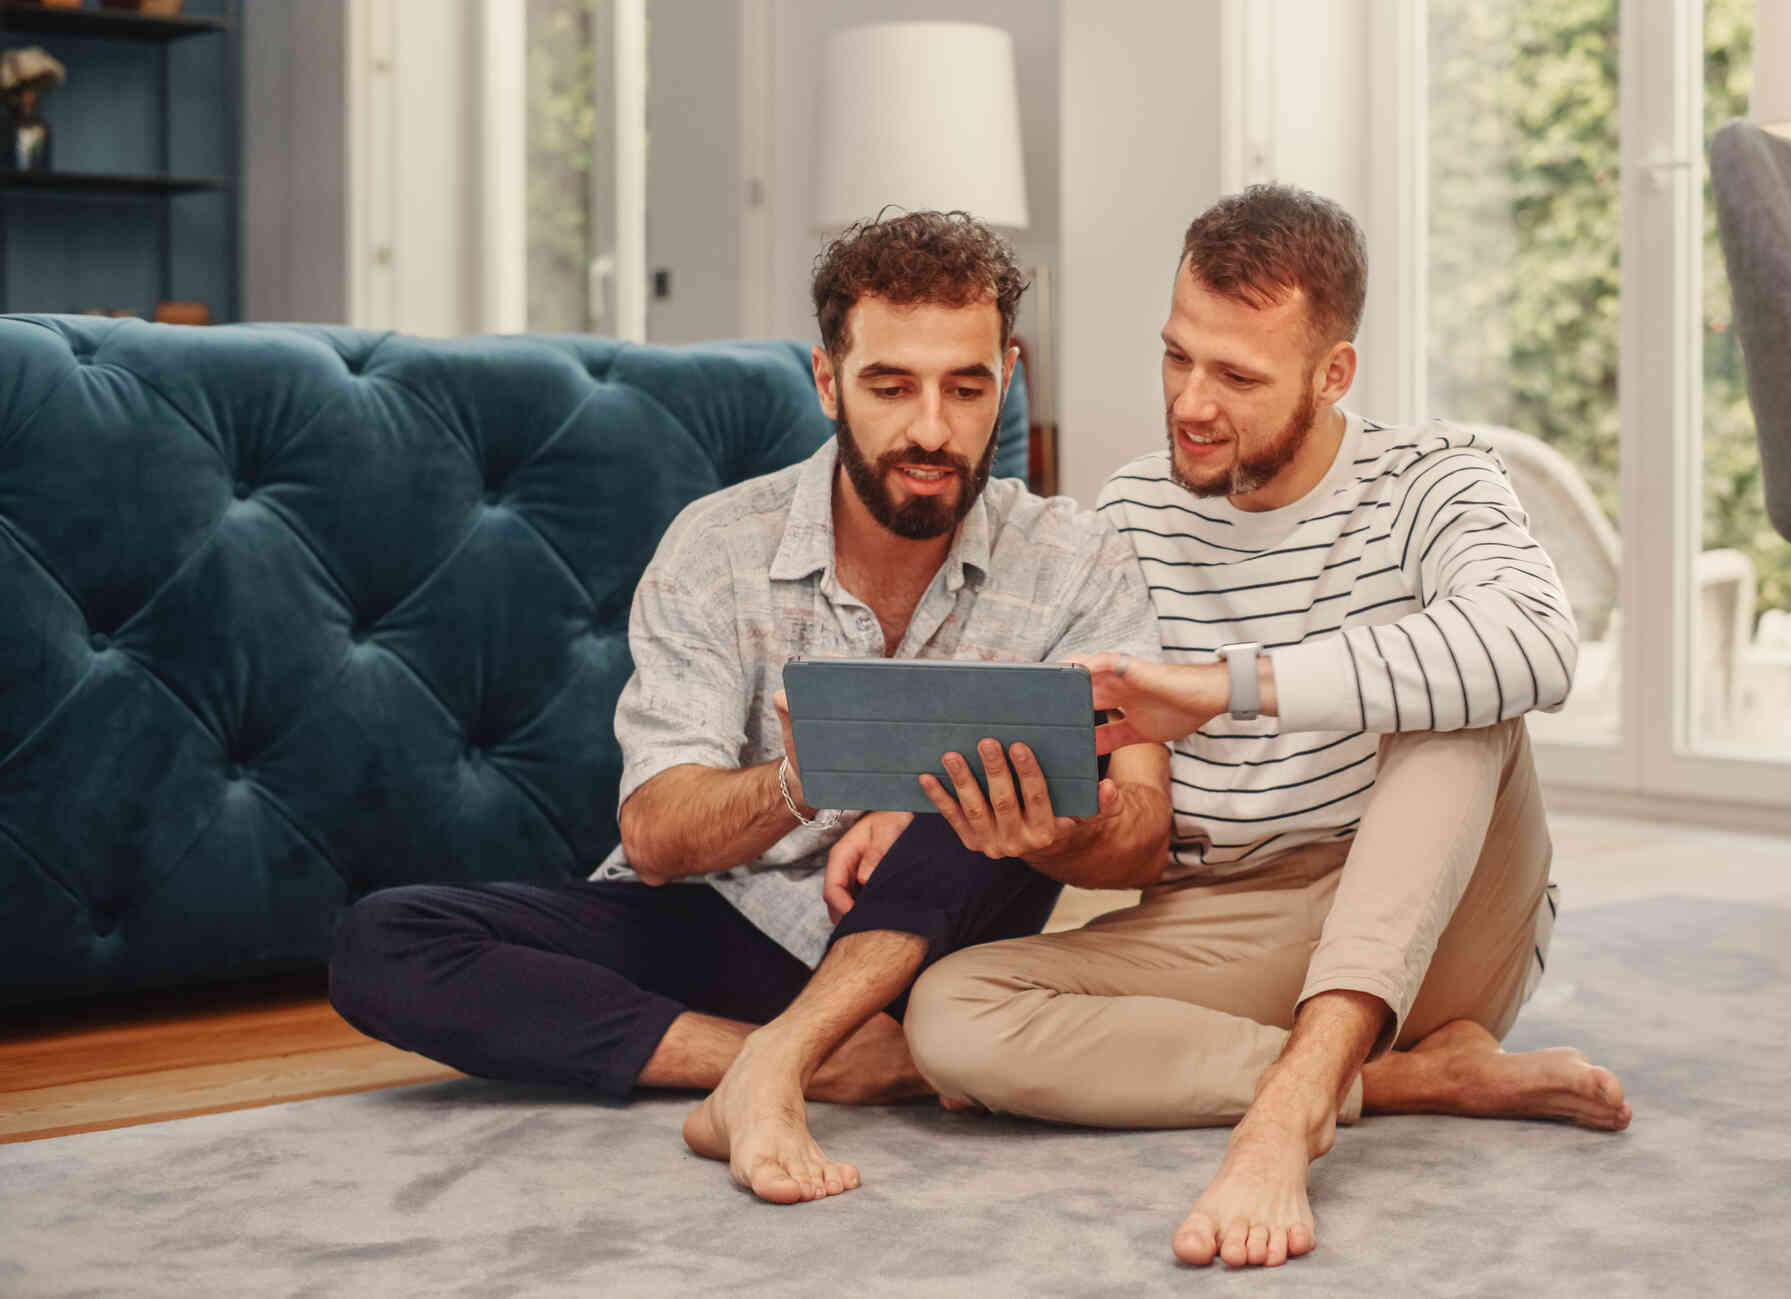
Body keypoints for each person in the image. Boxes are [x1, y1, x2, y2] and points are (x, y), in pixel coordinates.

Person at [327, 210, 1172, 1206]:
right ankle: (789, 1061)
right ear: (827, 381)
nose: (932, 431)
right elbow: (651, 835)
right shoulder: (718, 545)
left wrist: (1041, 830)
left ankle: (783, 1057)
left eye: (966, 387)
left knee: (966, 782)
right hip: (720, 920)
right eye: (890, 386)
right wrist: (802, 783)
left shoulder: (1081, 560)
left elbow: (1141, 836)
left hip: (921, 936)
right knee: (382, 942)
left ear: (1008, 375)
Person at [899, 185, 1632, 1268]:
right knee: (951, 1016)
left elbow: (1535, 644)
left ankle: (1288, 1114)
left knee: (1458, 701)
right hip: (1223, 910)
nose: (1191, 403)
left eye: (1237, 376)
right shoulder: (1133, 510)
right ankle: (1400, 1078)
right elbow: (1096, 745)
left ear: (1331, 374)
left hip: (1436, 908)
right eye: (1175, 357)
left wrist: (1224, 686)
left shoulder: (1430, 477)